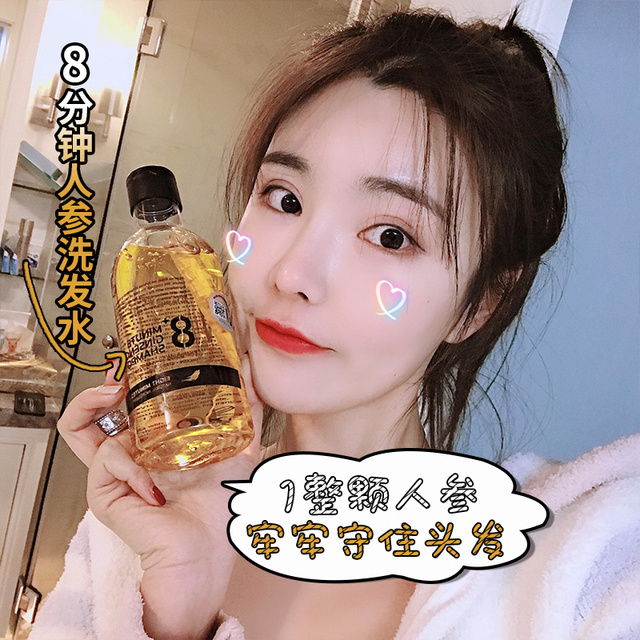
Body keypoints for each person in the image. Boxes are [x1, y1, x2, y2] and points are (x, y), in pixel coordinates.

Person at [29, 8, 640, 640]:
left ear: (477, 305)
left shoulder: (577, 567)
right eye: (285, 198)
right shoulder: (136, 525)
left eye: (391, 235)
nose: (293, 273)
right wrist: (177, 611)